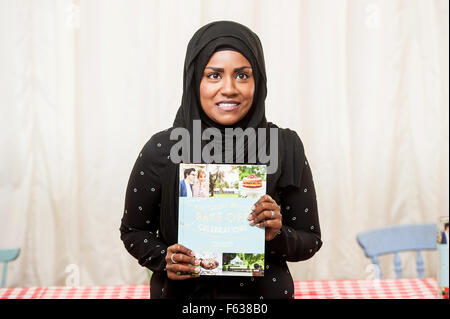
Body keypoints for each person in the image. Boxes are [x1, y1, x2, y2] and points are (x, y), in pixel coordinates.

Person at [120, 20, 322, 299]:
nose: (229, 88)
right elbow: (133, 231)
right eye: (214, 75)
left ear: (258, 81)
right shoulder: (163, 149)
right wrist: (163, 257)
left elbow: (309, 240)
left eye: (242, 75)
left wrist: (276, 234)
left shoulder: (283, 146)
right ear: (194, 80)